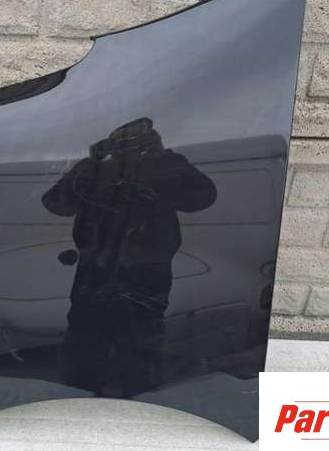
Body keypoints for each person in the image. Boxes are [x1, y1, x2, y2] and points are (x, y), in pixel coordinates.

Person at [42, 118, 217, 396]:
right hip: (94, 272)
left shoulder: (165, 165)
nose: (132, 143)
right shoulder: (99, 168)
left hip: (147, 274)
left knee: (141, 344)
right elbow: (55, 203)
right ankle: (80, 395)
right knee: (84, 343)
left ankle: (136, 396)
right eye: (125, 136)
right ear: (113, 138)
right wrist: (93, 164)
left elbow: (204, 197)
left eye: (140, 135)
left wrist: (163, 160)